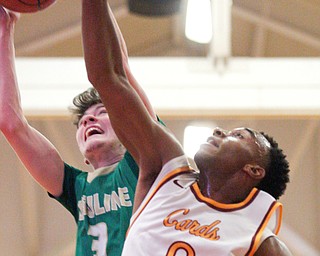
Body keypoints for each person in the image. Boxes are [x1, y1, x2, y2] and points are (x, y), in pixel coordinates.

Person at [81, 0, 292, 255]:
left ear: (254, 170)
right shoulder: (165, 169)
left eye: (238, 136)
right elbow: (108, 76)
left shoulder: (260, 241)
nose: (219, 132)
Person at [0, 6, 157, 256]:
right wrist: (5, 28)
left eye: (102, 112)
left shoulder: (145, 161)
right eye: (83, 120)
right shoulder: (77, 187)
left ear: (128, 127)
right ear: (83, 154)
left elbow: (120, 70)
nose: (88, 120)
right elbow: (11, 123)